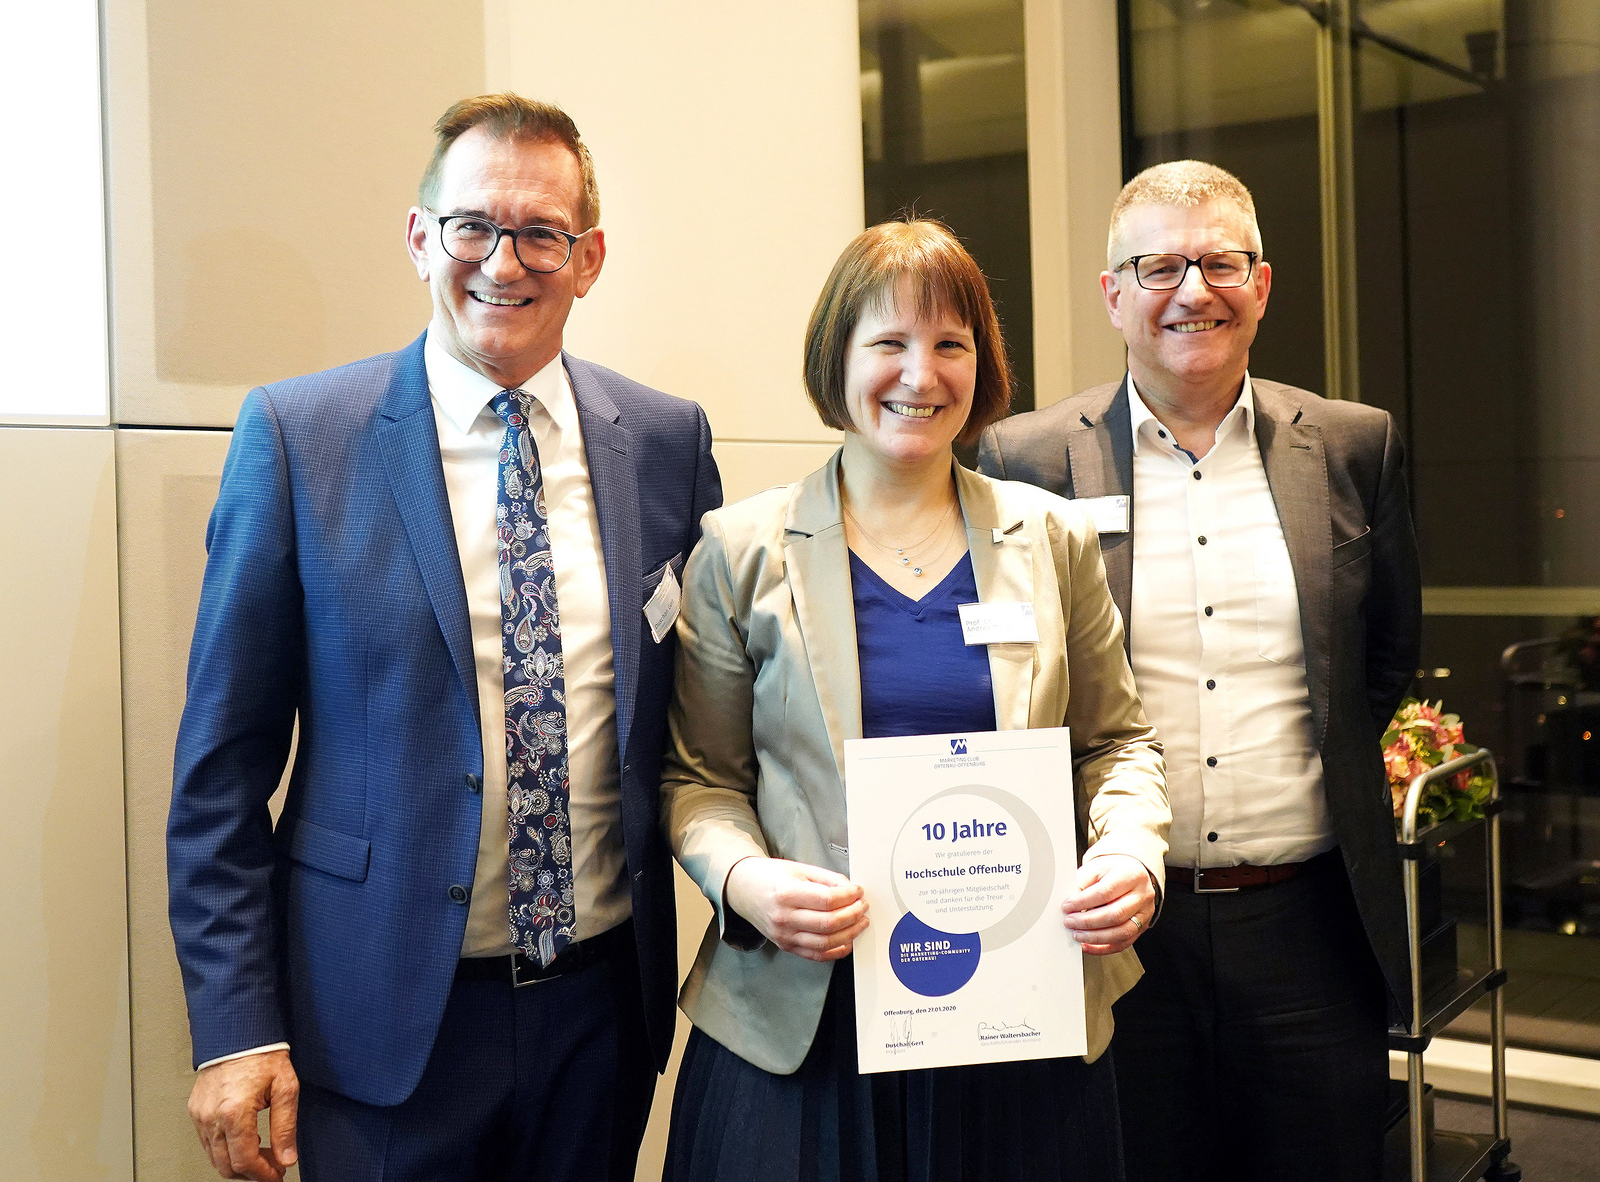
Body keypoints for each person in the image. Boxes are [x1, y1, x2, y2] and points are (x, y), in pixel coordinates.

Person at [168, 94, 720, 1182]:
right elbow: (220, 771)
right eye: (473, 225)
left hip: (599, 1016)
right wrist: (236, 1027)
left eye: (542, 233)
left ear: (589, 258)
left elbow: (704, 720)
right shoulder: (301, 437)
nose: (503, 263)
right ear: (421, 236)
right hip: (376, 1026)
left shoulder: (665, 441)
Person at [659, 217, 1171, 1182]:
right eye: (889, 342)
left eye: (950, 344)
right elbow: (700, 782)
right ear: (837, 358)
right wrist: (747, 883)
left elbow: (1118, 744)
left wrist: (1131, 852)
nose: (921, 375)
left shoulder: (1052, 538)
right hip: (811, 1025)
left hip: (1019, 1014)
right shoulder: (741, 549)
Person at [976, 160, 1421, 1182]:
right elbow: (1010, 680)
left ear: (1260, 285)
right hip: (1114, 930)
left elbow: (1381, 660)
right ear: (1113, 295)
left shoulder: (1355, 446)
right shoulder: (1024, 460)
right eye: (1159, 267)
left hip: (1310, 926)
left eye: (1220, 263)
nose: (1193, 291)